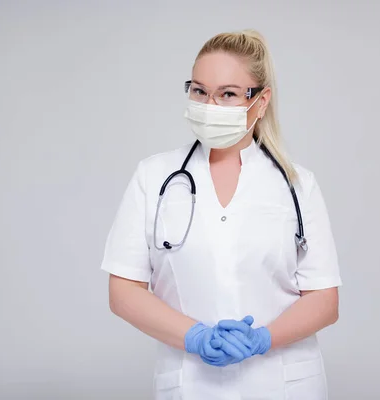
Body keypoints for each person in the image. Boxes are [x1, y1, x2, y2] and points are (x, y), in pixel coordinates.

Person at [100, 29, 343, 400]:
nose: (209, 104)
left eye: (227, 94)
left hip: (285, 384)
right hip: (191, 383)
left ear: (260, 102)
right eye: (199, 91)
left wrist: (264, 339)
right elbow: (123, 290)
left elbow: (324, 299)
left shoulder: (297, 185)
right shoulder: (154, 176)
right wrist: (194, 337)